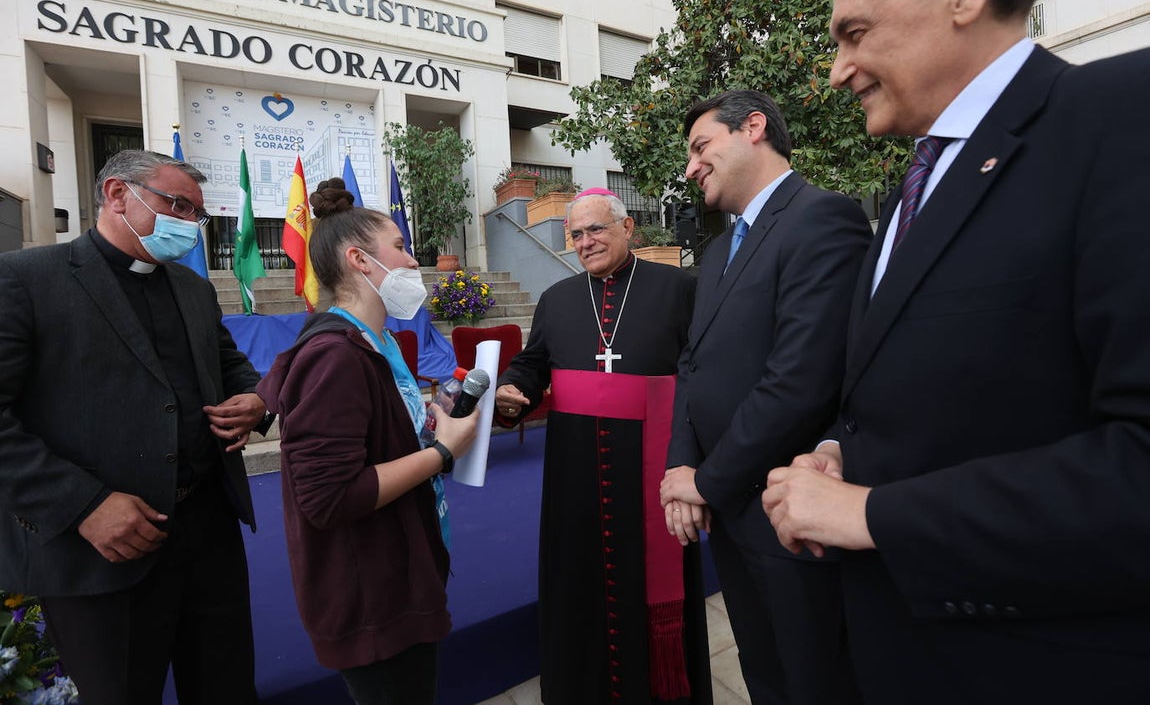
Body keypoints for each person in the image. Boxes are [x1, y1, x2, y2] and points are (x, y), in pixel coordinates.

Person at [761, 0, 1150, 703]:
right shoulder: (915, 183)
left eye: (855, 34)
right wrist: (843, 449)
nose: (837, 69)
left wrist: (873, 513)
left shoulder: (1118, 118)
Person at [0, 149, 272, 704]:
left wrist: (255, 398)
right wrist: (83, 506)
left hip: (208, 531)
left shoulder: (193, 289)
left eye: (197, 214)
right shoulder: (26, 278)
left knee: (226, 688)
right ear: (117, 194)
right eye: (177, 205)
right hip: (99, 549)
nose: (190, 224)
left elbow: (230, 363)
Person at [661, 90, 871, 705]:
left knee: (816, 683)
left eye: (701, 147)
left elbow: (800, 381)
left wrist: (705, 483)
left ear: (753, 128)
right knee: (764, 676)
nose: (691, 166)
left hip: (791, 519)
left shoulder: (822, 217)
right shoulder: (719, 248)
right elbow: (691, 365)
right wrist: (681, 464)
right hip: (730, 515)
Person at [257, 178, 479, 705]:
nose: (411, 261)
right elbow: (329, 497)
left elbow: (376, 436)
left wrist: (425, 423)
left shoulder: (377, 341)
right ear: (359, 260)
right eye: (400, 247)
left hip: (400, 570)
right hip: (370, 597)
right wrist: (442, 453)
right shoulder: (335, 356)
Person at [494, 189, 710, 705]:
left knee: (650, 585)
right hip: (575, 474)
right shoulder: (557, 299)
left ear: (628, 227)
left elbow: (701, 372)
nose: (586, 243)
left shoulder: (679, 289)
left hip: (653, 467)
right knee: (580, 584)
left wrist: (696, 457)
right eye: (576, 235)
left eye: (596, 230)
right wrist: (513, 390)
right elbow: (533, 362)